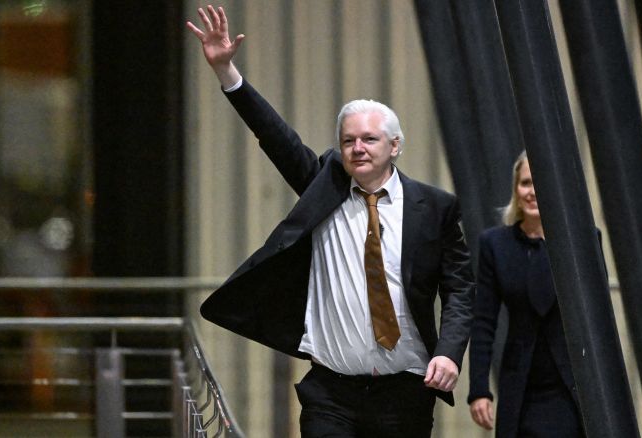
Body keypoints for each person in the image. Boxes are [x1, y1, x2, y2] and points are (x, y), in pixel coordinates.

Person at [187, 6, 475, 437]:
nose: (357, 149)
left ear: (395, 146)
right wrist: (228, 73)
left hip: (406, 391)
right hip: (330, 393)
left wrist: (450, 354)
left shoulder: (434, 207)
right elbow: (277, 137)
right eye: (348, 141)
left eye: (369, 139)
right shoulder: (325, 187)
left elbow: (460, 291)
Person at [467, 151, 584, 437]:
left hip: (569, 386)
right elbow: (483, 320)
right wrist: (478, 389)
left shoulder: (581, 240)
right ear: (516, 189)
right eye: (526, 183)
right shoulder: (495, 244)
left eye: (540, 183)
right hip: (520, 385)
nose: (532, 192)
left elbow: (596, 320)